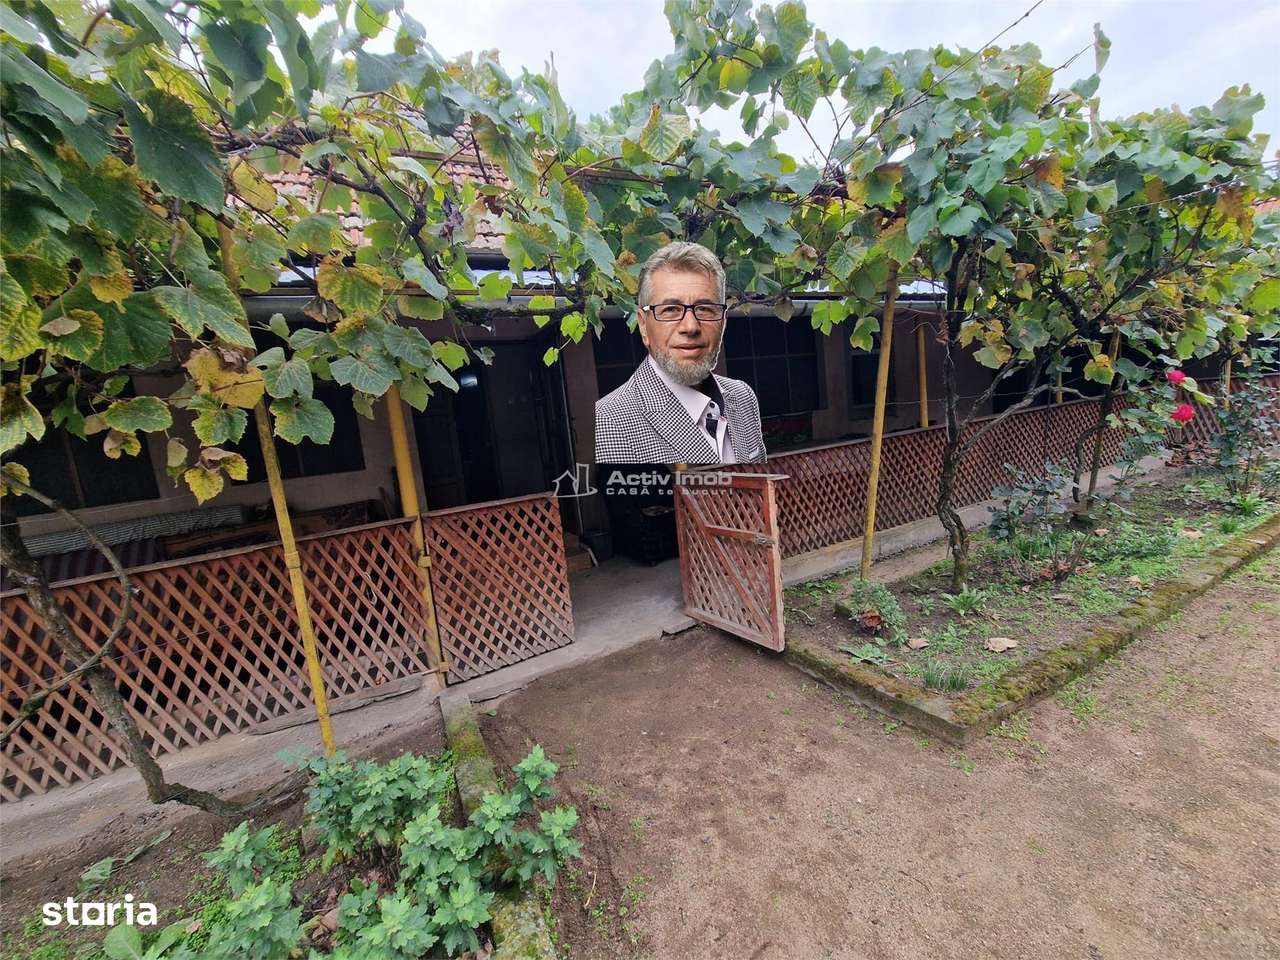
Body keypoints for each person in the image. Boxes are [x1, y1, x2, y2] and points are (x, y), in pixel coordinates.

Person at [593, 241, 766, 464]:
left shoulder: (742, 396)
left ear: (723, 322)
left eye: (704, 308)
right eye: (671, 309)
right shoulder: (610, 420)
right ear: (643, 325)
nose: (690, 327)